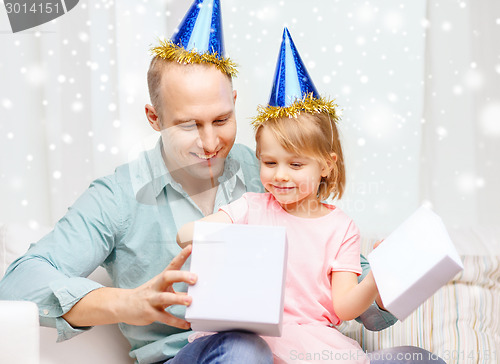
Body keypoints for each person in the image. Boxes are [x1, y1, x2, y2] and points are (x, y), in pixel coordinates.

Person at [0, 1, 401, 363]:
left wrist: (387, 278)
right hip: (191, 356)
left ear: (235, 102)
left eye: (222, 120)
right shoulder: (118, 196)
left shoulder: (268, 173)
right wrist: (128, 303)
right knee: (244, 350)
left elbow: (346, 289)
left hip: (293, 348)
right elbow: (17, 283)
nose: (211, 144)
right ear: (154, 118)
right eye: (189, 125)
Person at [177, 28, 446, 364]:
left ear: (325, 166)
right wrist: (232, 241)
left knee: (422, 359)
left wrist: (376, 277)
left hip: (313, 342)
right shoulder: (251, 207)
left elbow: (344, 306)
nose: (280, 175)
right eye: (269, 162)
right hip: (255, 340)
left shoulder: (342, 228)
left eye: (296, 164)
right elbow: (185, 234)